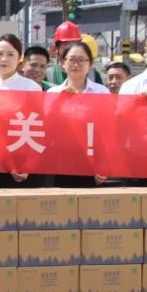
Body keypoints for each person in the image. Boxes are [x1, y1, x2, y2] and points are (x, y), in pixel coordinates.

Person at [0, 34, 43, 187]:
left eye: (10, 54)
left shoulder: (31, 88)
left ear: (20, 58)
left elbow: (38, 128)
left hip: (21, 162)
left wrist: (28, 165)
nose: (4, 59)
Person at [47, 41, 109, 188]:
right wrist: (58, 101)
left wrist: (103, 165)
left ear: (90, 64)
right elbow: (46, 127)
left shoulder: (101, 92)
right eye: (72, 59)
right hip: (59, 162)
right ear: (62, 63)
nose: (76, 64)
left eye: (81, 60)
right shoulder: (52, 93)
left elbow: (107, 131)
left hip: (91, 162)